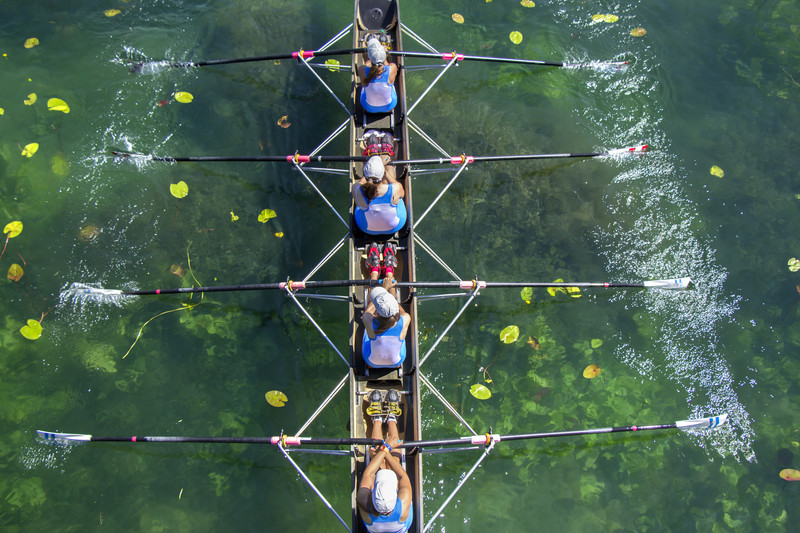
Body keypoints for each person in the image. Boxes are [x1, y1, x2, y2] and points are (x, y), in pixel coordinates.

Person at [357, 390, 413, 533]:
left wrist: (384, 450)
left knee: (378, 465)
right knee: (393, 461)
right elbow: (402, 476)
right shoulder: (403, 504)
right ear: (396, 498)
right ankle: (392, 418)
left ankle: (376, 419)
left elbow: (369, 473)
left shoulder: (363, 501)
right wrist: (386, 450)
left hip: (375, 516)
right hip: (394, 513)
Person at [361, 260, 410, 368]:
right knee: (401, 333)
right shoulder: (406, 319)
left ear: (377, 313)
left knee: (370, 303)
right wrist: (390, 298)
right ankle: (389, 273)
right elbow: (396, 308)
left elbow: (369, 310)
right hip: (396, 362)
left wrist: (384, 289)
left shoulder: (367, 320)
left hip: (372, 363)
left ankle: (374, 272)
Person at [353, 155, 407, 235]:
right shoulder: (396, 187)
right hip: (394, 227)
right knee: (398, 197)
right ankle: (388, 164)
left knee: (360, 205)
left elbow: (362, 182)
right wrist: (385, 171)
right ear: (382, 174)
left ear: (365, 174)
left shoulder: (356, 188)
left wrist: (369, 174)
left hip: (366, 228)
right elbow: (401, 192)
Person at [358, 37, 398, 114]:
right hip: (389, 108)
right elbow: (386, 65)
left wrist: (369, 59)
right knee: (390, 83)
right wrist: (384, 54)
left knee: (367, 64)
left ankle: (370, 56)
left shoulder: (362, 69)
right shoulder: (393, 67)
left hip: (368, 109)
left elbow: (367, 66)